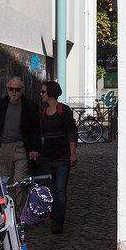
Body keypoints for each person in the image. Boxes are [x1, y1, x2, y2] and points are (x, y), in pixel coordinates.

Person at [0, 76, 41, 213]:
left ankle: (21, 213)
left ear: (22, 90)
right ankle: (9, 212)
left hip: (21, 147)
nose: (14, 92)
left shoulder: (30, 106)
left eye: (17, 90)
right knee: (6, 182)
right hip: (3, 147)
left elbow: (36, 129)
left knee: (20, 180)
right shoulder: (1, 104)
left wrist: (34, 148)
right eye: (11, 89)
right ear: (7, 90)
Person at [40, 81, 78, 234]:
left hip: (62, 156)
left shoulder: (64, 110)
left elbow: (71, 132)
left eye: (43, 91)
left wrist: (73, 153)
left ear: (51, 93)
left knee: (60, 189)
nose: (41, 94)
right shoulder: (43, 111)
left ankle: (58, 221)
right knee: (50, 190)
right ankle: (53, 216)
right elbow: (42, 133)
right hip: (48, 156)